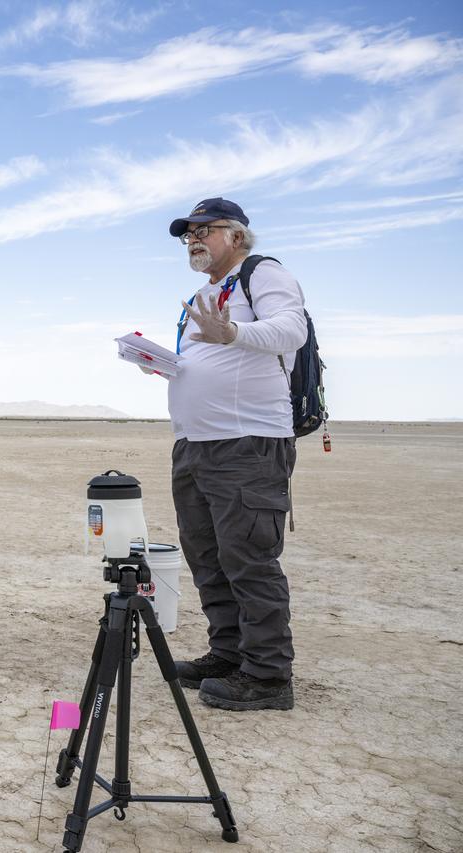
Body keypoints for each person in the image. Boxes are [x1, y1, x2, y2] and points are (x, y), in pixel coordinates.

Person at [157, 197, 306, 712]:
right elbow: (205, 360)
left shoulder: (261, 274)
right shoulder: (203, 294)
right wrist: (166, 365)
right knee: (207, 557)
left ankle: (268, 677)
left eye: (205, 230)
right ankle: (228, 655)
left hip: (247, 443)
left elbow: (292, 329)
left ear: (236, 235)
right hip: (194, 445)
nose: (193, 240)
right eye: (188, 234)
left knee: (249, 559)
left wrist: (234, 332)